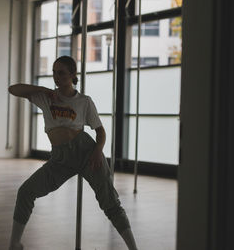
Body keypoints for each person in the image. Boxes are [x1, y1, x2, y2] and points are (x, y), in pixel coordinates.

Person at [8, 56, 138, 250]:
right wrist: (44, 90)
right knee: (26, 192)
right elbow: (14, 89)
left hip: (86, 152)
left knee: (110, 202)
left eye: (61, 72)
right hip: (60, 158)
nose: (56, 76)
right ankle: (14, 244)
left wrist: (97, 152)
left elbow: (100, 131)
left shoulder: (84, 101)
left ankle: (133, 248)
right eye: (54, 72)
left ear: (72, 75)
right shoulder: (46, 97)